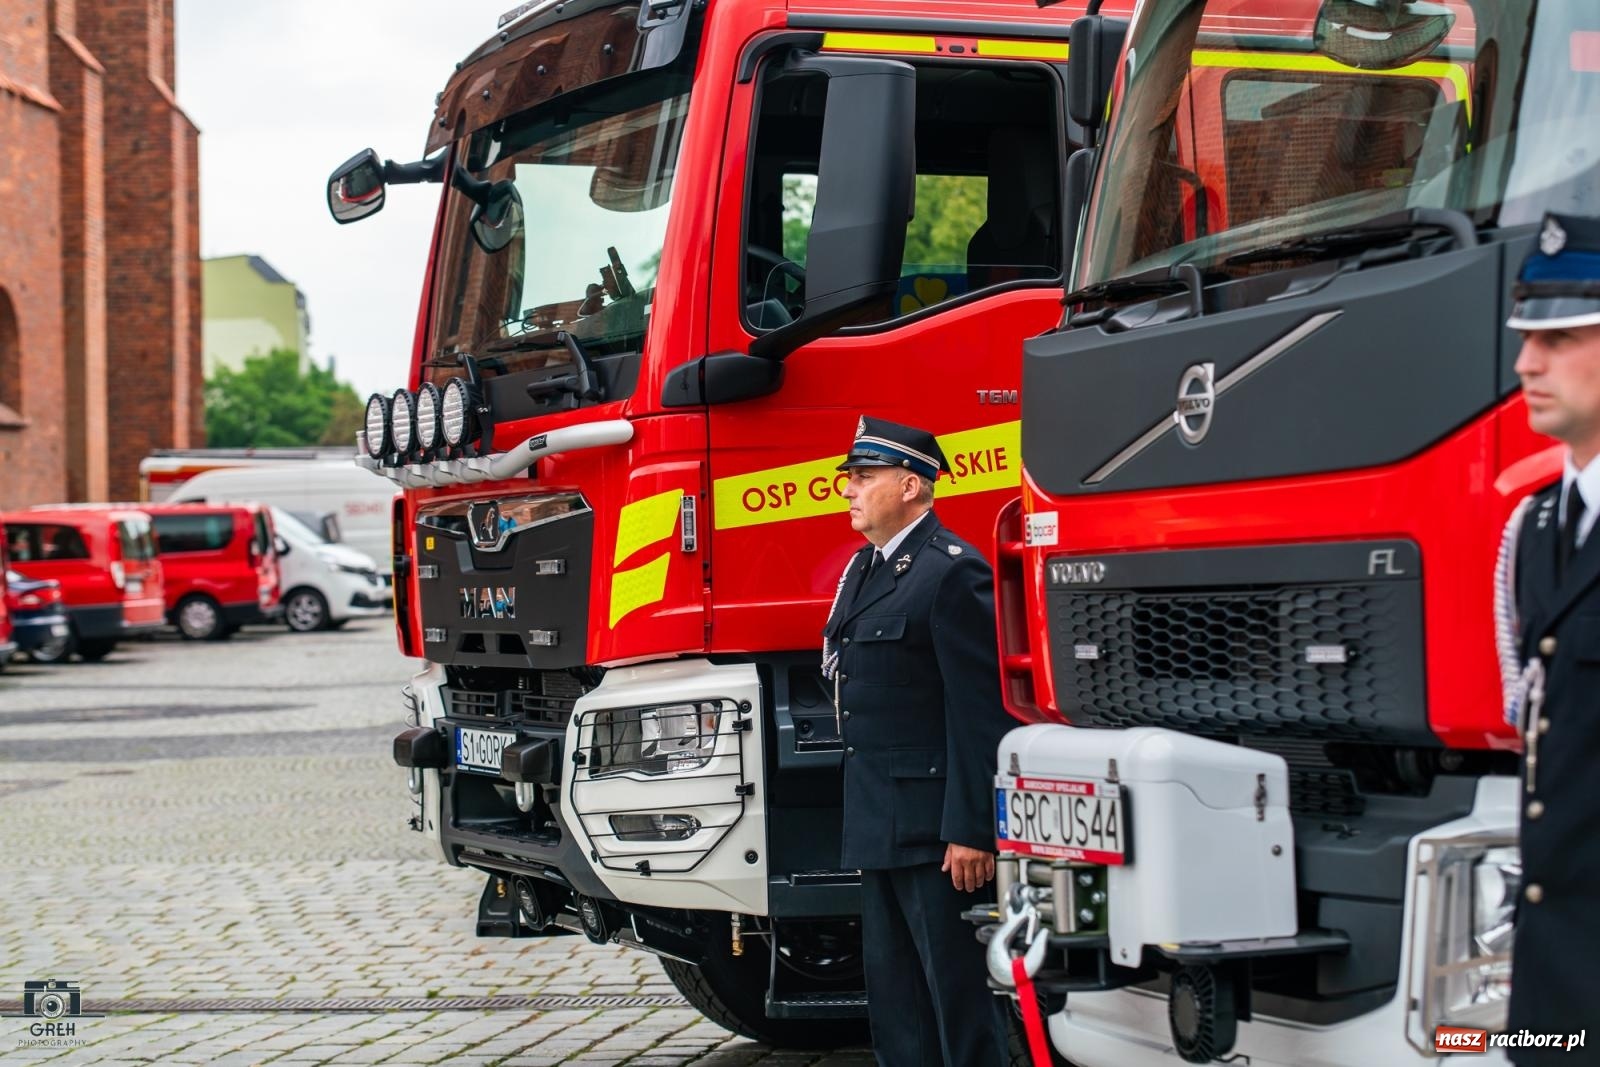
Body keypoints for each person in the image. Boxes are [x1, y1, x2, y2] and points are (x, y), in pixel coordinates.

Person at [822, 415, 1013, 1066]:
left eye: (863, 477)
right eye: (849, 477)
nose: (848, 488)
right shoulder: (865, 569)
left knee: (960, 1006)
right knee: (898, 1008)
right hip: (879, 820)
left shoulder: (951, 572)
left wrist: (972, 829)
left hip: (937, 834)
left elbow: (980, 712)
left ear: (910, 485)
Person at [1498, 213, 1600, 1064]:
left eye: (1560, 338)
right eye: (1527, 337)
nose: (1527, 363)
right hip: (1554, 986)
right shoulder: (1531, 529)